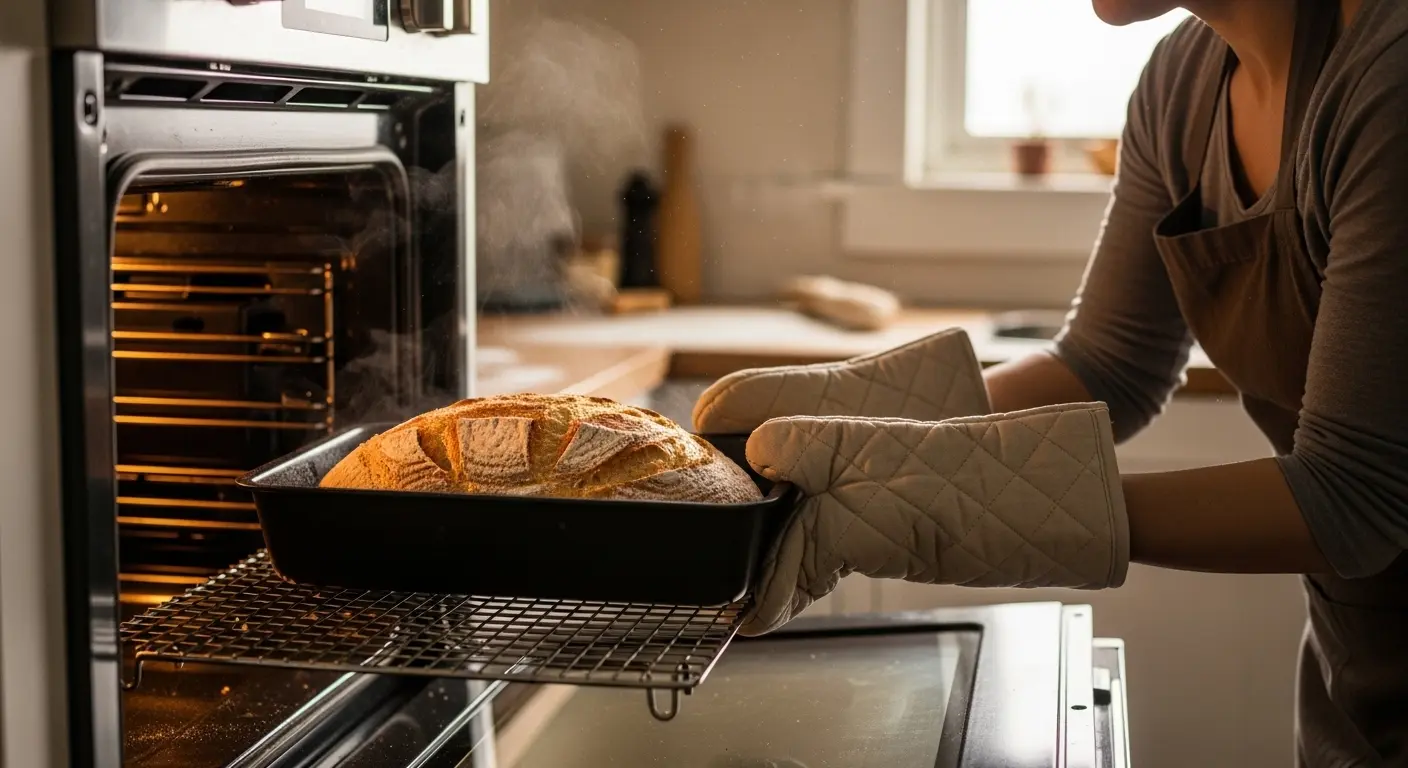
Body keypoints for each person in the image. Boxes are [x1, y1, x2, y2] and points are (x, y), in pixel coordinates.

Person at [692, 0, 1408, 764]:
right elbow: (1109, 364)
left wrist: (960, 501)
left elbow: (1353, 496)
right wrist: (880, 421)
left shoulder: (1386, 80)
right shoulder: (1183, 83)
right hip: (1355, 665)